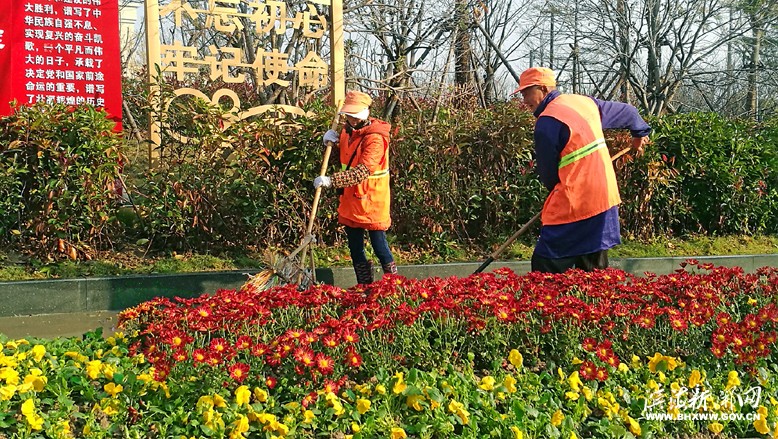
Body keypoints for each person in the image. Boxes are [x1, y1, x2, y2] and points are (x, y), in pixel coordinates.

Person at [514, 67, 651, 273]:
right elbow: (630, 112)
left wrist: (556, 195)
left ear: (542, 88)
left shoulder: (547, 121)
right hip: (604, 198)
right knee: (593, 271)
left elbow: (549, 176)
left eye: (526, 93)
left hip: (576, 201)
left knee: (545, 268)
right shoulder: (584, 103)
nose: (524, 100)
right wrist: (639, 134)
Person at [313, 90, 397, 285]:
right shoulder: (345, 132)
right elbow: (342, 160)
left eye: (354, 115)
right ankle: (364, 285)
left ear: (366, 112)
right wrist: (329, 144)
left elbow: (361, 172)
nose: (351, 119)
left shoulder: (375, 138)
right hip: (351, 199)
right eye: (348, 115)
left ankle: (394, 285)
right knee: (354, 247)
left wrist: (331, 181)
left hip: (372, 199)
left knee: (379, 245)